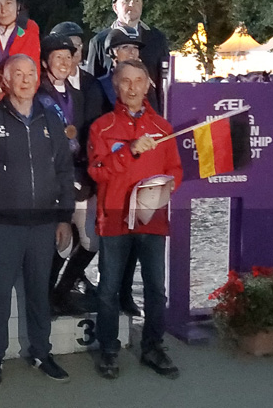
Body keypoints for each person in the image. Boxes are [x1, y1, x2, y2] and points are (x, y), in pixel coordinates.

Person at [0, 54, 74, 391]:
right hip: (2, 225)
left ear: (38, 77)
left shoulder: (51, 118)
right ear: (5, 81)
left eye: (31, 73)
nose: (25, 80)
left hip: (43, 225)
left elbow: (64, 171)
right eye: (17, 74)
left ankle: (41, 352)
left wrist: (64, 216)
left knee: (39, 292)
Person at [87, 59, 182, 380]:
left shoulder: (163, 128)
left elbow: (175, 170)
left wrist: (165, 188)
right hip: (114, 218)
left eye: (138, 81)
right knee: (109, 289)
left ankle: (153, 347)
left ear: (148, 85)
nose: (132, 87)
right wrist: (129, 151)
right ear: (116, 86)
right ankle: (108, 350)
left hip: (152, 220)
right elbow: (96, 171)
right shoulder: (102, 127)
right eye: (125, 81)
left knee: (156, 289)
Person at [36, 33, 101, 315]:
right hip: (50, 176)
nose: (64, 62)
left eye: (68, 56)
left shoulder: (77, 95)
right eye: (58, 57)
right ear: (44, 62)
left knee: (91, 240)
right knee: (60, 241)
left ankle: (62, 291)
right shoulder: (36, 95)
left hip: (78, 174)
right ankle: (44, 296)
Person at [84, 0, 170, 114]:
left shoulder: (157, 38)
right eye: (127, 0)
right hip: (111, 114)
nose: (132, 4)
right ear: (115, 7)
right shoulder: (99, 41)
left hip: (150, 114)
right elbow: (91, 82)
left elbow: (165, 79)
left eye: (137, 0)